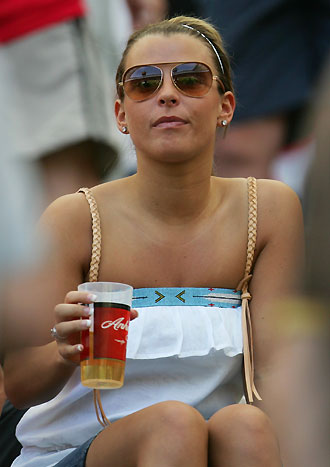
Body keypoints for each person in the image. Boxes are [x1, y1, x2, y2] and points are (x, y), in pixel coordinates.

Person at [4, 16, 303, 467]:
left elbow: (277, 372)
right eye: (144, 83)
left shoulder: (270, 209)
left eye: (190, 79)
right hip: (76, 450)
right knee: (173, 425)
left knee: (248, 426)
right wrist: (64, 351)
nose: (167, 94)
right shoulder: (75, 217)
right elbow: (21, 384)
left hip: (217, 446)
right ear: (121, 113)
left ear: (226, 106)